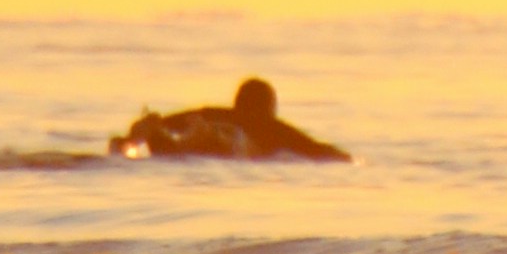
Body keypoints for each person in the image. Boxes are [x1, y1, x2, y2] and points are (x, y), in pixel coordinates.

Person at [109, 72, 346, 163]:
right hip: (230, 147)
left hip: (209, 138)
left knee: (176, 144)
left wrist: (141, 133)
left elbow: (173, 120)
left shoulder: (218, 115)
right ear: (269, 107)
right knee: (218, 144)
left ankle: (155, 138)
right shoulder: (272, 128)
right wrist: (344, 157)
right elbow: (314, 149)